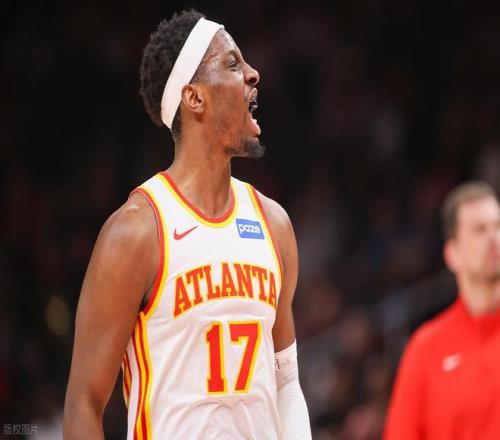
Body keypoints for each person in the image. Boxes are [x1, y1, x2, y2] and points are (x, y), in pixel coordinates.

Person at [63, 9, 311, 440]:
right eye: (232, 64)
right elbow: (83, 404)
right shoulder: (137, 231)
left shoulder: (274, 224)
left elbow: (287, 382)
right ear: (194, 98)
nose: (253, 74)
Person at [384, 181, 500, 440]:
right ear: (452, 254)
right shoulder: (425, 349)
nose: (494, 238)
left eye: (498, 226)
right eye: (480, 230)